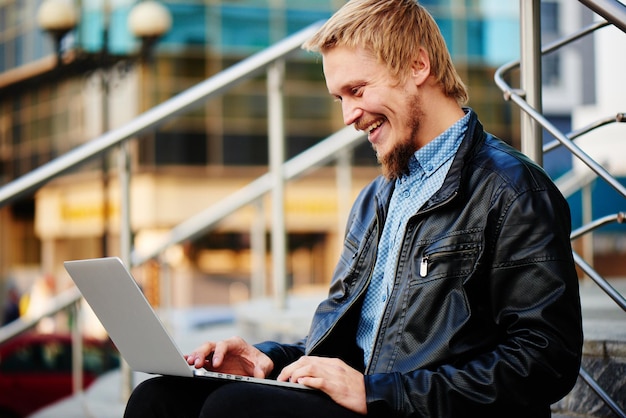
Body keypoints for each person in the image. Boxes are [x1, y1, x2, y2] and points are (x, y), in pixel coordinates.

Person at [124, 1, 583, 417]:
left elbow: (544, 360)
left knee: (233, 410)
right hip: (369, 401)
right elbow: (351, 342)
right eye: (340, 98)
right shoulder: (376, 199)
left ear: (417, 65)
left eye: (357, 89)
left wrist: (382, 393)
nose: (348, 116)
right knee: (159, 398)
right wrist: (271, 360)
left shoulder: (514, 190)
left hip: (418, 410)